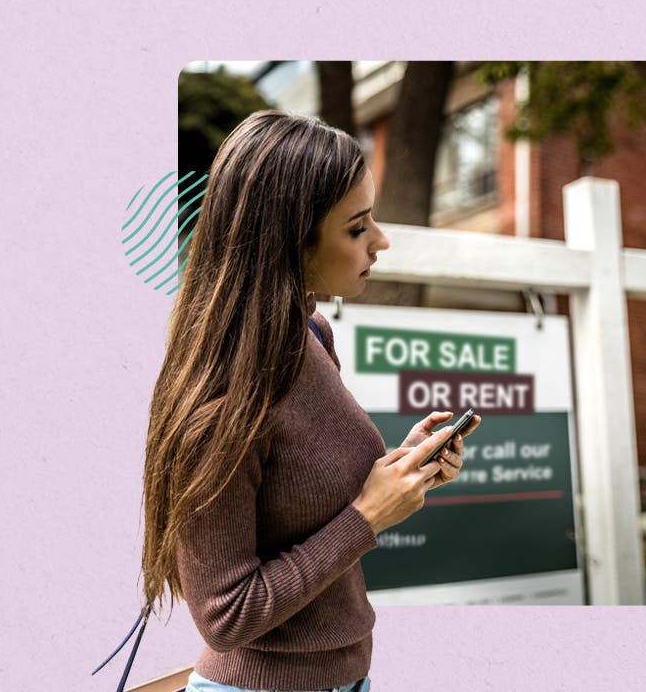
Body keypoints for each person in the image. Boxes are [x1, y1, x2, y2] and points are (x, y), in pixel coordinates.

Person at [138, 110, 481, 692]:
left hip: (352, 675)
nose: (381, 240)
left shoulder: (312, 335)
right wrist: (369, 515)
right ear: (289, 240)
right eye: (356, 227)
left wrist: (402, 471)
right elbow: (226, 617)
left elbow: (304, 491)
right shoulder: (221, 400)